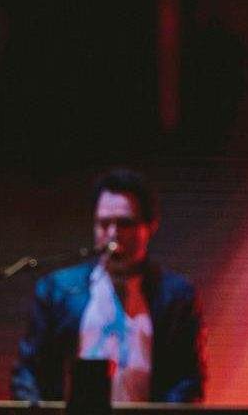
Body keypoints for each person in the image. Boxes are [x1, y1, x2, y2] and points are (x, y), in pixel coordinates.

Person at [11, 168, 206, 403]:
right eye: (104, 224)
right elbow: (28, 373)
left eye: (125, 224)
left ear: (150, 226)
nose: (113, 234)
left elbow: (188, 380)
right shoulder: (57, 290)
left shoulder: (177, 298)